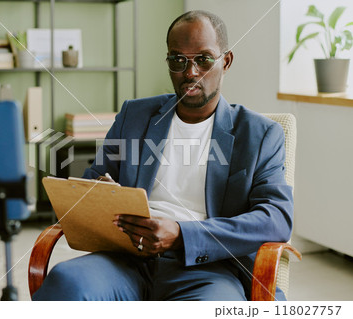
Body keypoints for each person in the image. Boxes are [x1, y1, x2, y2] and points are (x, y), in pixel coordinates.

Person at [33, 10, 293, 301]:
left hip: (207, 270)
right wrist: (99, 196)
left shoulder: (259, 134)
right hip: (126, 260)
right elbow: (92, 182)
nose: (190, 72)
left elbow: (276, 218)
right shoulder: (135, 115)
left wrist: (182, 234)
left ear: (226, 61)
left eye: (204, 59)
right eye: (178, 60)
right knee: (66, 281)